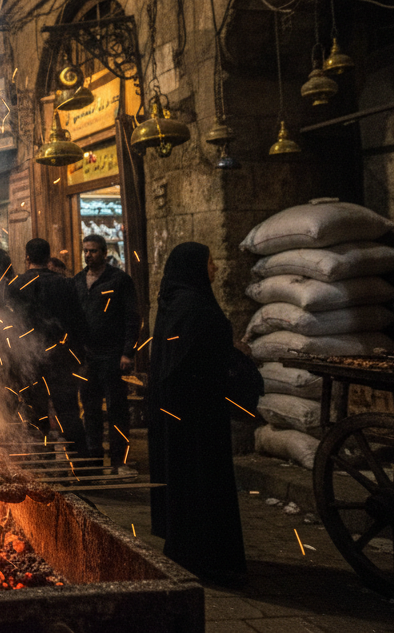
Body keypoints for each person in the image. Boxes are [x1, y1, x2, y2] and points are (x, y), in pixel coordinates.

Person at [148, 242, 248, 585]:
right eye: (210, 262)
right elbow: (194, 358)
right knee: (201, 481)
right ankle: (204, 555)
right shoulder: (193, 306)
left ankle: (188, 547)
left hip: (182, 411)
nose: (216, 268)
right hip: (197, 414)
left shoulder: (175, 301)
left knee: (186, 481)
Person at [8, 238, 90, 452]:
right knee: (69, 412)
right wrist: (80, 354)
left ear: (27, 258)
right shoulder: (65, 284)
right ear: (48, 257)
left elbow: (8, 325)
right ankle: (82, 464)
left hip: (28, 359)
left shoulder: (16, 285)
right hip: (61, 358)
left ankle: (42, 464)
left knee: (35, 415)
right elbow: (78, 321)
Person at [73, 235, 141, 464]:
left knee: (116, 408)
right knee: (90, 408)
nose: (88, 255)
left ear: (104, 253)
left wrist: (127, 352)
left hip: (112, 354)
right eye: (85, 251)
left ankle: (118, 457)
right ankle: (94, 456)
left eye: (92, 251)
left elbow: (131, 318)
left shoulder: (119, 280)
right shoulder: (79, 281)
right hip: (88, 355)